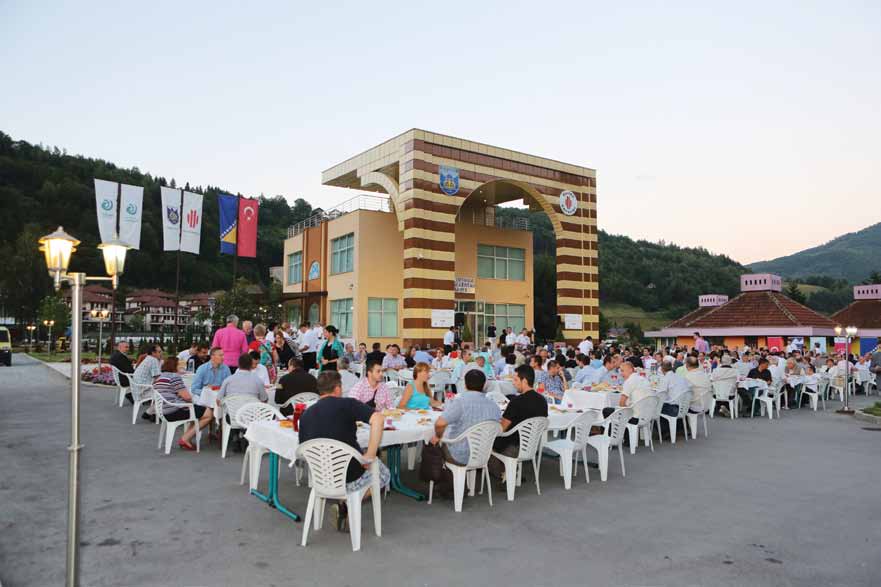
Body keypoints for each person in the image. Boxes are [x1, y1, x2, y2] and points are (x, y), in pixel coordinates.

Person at [298, 370, 388, 531]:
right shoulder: (348, 404)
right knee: (383, 473)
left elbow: (303, 450)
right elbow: (378, 419)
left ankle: (343, 503)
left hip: (322, 477)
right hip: (349, 474)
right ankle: (348, 502)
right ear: (338, 388)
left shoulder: (306, 414)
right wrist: (371, 454)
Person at [431, 369, 501, 466]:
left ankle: (438, 475)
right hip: (483, 455)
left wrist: (438, 436)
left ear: (465, 384)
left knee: (431, 441)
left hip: (459, 455)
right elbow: (498, 428)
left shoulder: (460, 403)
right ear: (484, 385)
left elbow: (439, 423)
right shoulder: (494, 406)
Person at [490, 365, 547, 478]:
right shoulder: (542, 400)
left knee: (485, 443)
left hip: (512, 446)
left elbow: (502, 428)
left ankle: (503, 473)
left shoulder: (516, 402)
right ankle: (508, 471)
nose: (513, 383)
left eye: (515, 379)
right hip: (531, 445)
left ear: (524, 381)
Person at [153, 356, 213, 451]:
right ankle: (185, 438)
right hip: (175, 410)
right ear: (174, 366)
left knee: (198, 411)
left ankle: (187, 438)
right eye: (180, 366)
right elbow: (187, 397)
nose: (182, 368)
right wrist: (191, 401)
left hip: (164, 410)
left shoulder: (159, 378)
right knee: (208, 413)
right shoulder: (174, 377)